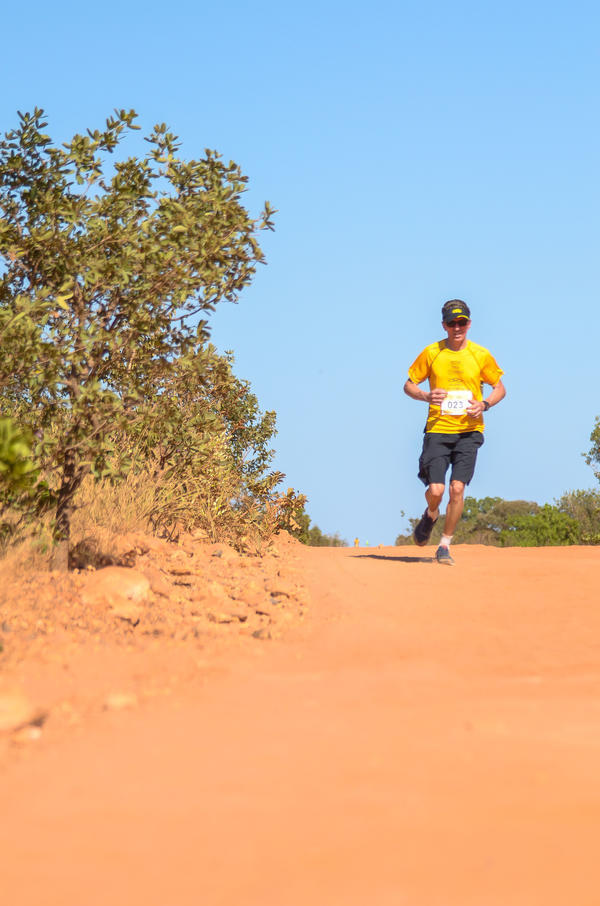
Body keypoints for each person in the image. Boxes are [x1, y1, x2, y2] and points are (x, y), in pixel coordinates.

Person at [403, 300, 505, 566]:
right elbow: (409, 385)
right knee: (436, 490)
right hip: (438, 429)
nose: (457, 327)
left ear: (469, 324)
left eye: (462, 322)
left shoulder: (480, 355)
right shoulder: (432, 352)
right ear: (444, 325)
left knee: (457, 488)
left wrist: (484, 404)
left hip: (469, 432)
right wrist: (426, 395)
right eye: (452, 323)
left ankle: (444, 544)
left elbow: (500, 388)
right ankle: (431, 513)